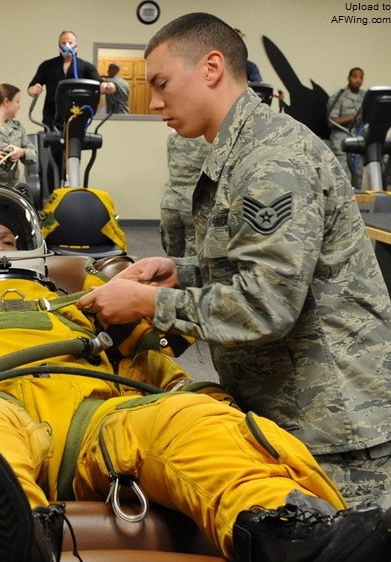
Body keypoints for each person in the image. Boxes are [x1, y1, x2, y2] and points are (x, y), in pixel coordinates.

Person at [0, 184, 391, 562]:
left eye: (9, 236)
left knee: (189, 422)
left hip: (98, 420)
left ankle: (295, 536)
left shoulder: (84, 301)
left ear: (35, 245)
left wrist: (197, 397)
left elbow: (153, 372)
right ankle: (9, 549)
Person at [77, 13, 391, 512]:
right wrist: (183, 271)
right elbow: (260, 268)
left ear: (212, 67)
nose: (154, 101)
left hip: (336, 426)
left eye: (161, 83)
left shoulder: (271, 162)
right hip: (291, 408)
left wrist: (150, 303)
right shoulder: (243, 148)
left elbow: (266, 304)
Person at [27, 30, 115, 128]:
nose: (67, 45)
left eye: (70, 42)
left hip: (77, 118)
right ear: (59, 45)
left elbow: (100, 83)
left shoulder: (86, 66)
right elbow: (31, 88)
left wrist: (108, 86)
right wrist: (33, 90)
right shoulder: (47, 65)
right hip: (51, 119)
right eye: (63, 43)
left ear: (76, 45)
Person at [160, 131, 210, 257]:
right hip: (195, 203)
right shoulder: (209, 138)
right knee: (193, 260)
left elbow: (170, 162)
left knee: (172, 258)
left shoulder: (172, 136)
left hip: (170, 202)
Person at [328, 67, 366, 181]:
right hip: (342, 144)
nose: (358, 80)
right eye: (355, 77)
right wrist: (349, 118)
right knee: (344, 179)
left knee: (358, 177)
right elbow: (330, 121)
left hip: (359, 143)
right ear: (348, 78)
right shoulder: (339, 96)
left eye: (361, 77)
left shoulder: (366, 97)